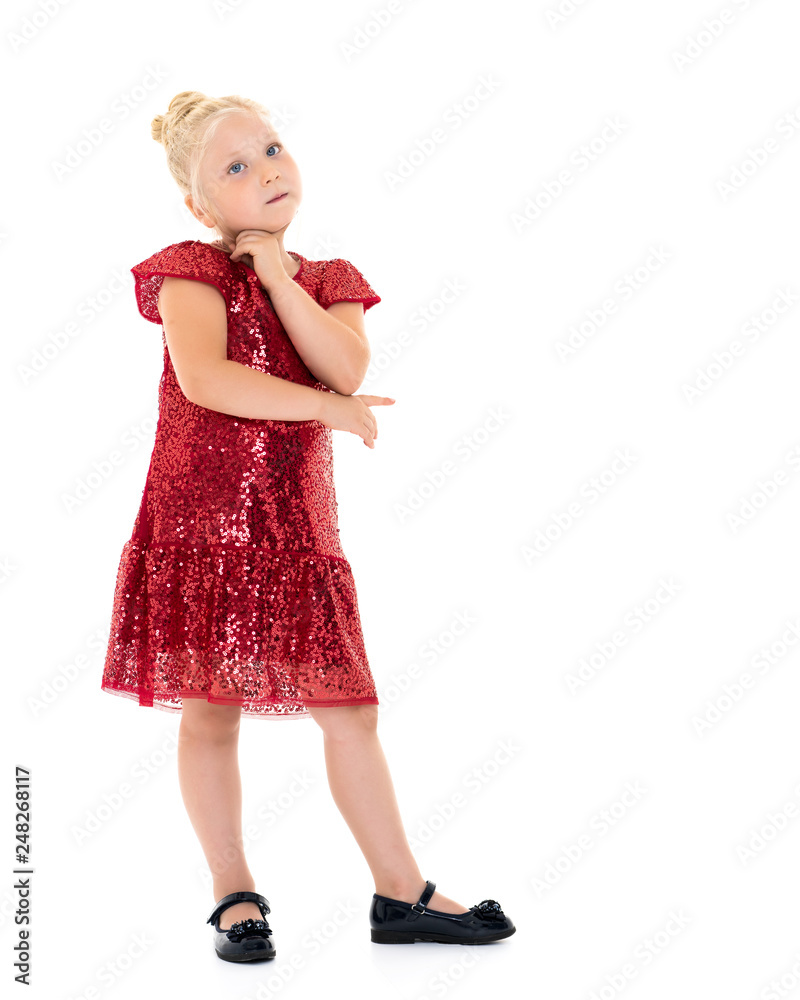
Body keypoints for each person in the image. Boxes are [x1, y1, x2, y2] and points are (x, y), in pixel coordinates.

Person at [100, 89, 515, 963]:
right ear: (200, 207)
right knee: (210, 712)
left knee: (351, 710)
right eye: (235, 167)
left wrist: (281, 279)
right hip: (205, 527)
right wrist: (329, 409)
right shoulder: (192, 271)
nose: (266, 170)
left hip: (297, 536)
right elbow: (209, 380)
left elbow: (345, 364)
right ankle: (233, 890)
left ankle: (400, 892)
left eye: (271, 148)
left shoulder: (328, 280)